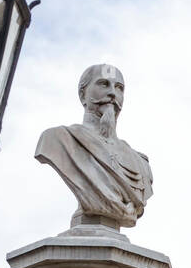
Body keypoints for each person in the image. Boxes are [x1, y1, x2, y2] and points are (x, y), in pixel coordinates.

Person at [35, 63, 153, 227]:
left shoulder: (141, 163)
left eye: (119, 88)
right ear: (83, 94)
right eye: (104, 84)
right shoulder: (58, 139)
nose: (112, 93)